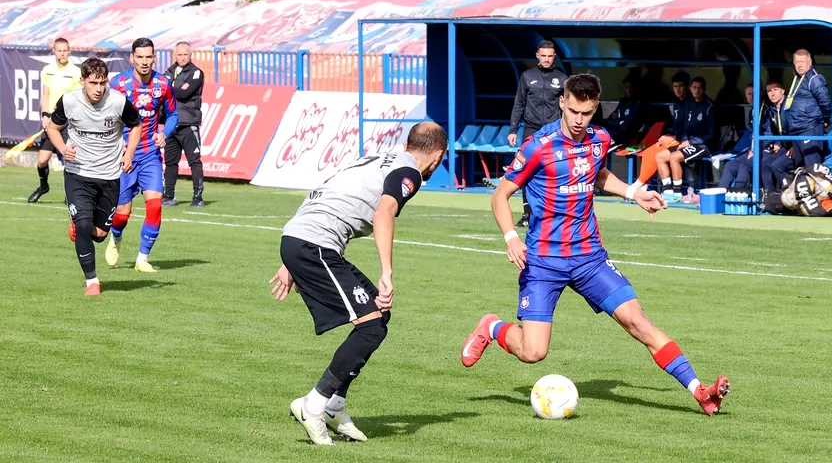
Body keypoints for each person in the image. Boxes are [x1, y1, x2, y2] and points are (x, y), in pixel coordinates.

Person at [460, 74, 729, 416]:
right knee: (533, 352)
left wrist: (633, 193)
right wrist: (511, 238)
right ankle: (492, 327)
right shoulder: (538, 146)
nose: (578, 120)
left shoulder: (599, 139)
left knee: (639, 323)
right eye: (573, 111)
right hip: (543, 261)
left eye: (586, 113)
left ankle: (700, 391)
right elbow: (501, 194)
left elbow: (597, 174)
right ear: (562, 102)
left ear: (595, 108)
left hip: (589, 258)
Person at [268, 122, 448, 446]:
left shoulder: (377, 158)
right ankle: (314, 404)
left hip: (303, 240)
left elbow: (327, 190)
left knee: (378, 315)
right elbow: (384, 214)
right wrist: (387, 272)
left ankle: (335, 404)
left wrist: (290, 257)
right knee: (371, 326)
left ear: (406, 143)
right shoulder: (409, 172)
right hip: (314, 245)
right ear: (439, 156)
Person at [44, 58, 142, 295]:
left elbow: (136, 125)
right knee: (84, 224)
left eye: (102, 83)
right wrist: (62, 149)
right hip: (78, 173)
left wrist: (129, 153)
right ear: (82, 81)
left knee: (99, 234)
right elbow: (52, 128)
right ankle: (92, 282)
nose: (98, 88)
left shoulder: (118, 102)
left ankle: (80, 227)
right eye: (93, 83)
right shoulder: (69, 101)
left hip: (109, 175)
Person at [105, 38, 178, 273]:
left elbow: (173, 114)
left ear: (154, 58)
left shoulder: (163, 84)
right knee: (122, 214)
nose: (144, 62)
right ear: (132, 58)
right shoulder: (118, 84)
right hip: (124, 156)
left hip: (150, 155)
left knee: (155, 205)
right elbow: (104, 116)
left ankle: (142, 259)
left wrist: (164, 133)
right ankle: (116, 237)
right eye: (140, 57)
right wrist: (115, 142)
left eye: (149, 57)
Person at [507, 40, 568, 227]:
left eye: (550, 56)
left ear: (554, 57)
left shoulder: (563, 78)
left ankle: (554, 212)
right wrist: (513, 130)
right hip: (531, 130)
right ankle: (528, 214)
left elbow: (568, 107)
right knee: (527, 170)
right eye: (544, 56)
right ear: (537, 56)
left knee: (555, 171)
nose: (547, 59)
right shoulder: (527, 76)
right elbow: (519, 104)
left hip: (554, 131)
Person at [28, 37, 81, 203]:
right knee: (42, 160)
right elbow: (45, 95)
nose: (62, 54)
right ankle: (43, 186)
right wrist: (45, 115)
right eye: (59, 50)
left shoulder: (76, 72)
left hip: (68, 121)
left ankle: (70, 193)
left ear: (69, 51)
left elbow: (77, 97)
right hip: (51, 121)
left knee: (69, 158)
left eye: (65, 51)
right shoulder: (47, 70)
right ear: (54, 51)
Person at [655, 76, 716, 200]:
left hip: (703, 146)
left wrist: (690, 142)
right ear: (690, 88)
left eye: (700, 88)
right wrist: (675, 138)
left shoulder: (709, 107)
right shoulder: (689, 105)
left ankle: (677, 193)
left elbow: (712, 134)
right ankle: (668, 191)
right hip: (686, 142)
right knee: (659, 157)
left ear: (704, 89)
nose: (697, 91)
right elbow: (684, 128)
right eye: (694, 87)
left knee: (674, 157)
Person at [162, 41, 205, 207]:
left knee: (194, 161)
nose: (182, 57)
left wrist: (171, 88)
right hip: (171, 124)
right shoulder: (169, 71)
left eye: (185, 54)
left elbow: (184, 93)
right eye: (179, 54)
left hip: (188, 122)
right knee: (170, 162)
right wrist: (175, 88)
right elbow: (165, 91)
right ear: (175, 55)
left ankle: (198, 197)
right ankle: (169, 196)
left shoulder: (196, 73)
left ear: (190, 55)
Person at [784, 49, 831, 166]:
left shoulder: (814, 78)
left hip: (809, 127)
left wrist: (825, 118)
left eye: (802, 61)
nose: (799, 65)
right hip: (797, 129)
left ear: (809, 62)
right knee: (800, 168)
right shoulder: (798, 78)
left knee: (812, 165)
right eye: (797, 62)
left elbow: (825, 101)